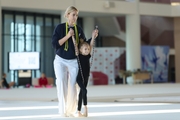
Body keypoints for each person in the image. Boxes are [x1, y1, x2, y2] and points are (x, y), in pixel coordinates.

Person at [51, 6, 98, 117]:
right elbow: (55, 44)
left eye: (77, 15)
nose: (75, 17)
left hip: (73, 60)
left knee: (73, 86)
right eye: (73, 15)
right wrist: (68, 35)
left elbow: (84, 45)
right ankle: (62, 111)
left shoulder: (79, 29)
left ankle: (71, 110)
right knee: (61, 81)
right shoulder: (60, 28)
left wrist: (93, 37)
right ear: (67, 15)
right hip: (60, 60)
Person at [72, 38, 96, 117]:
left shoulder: (88, 56)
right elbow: (75, 45)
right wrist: (72, 37)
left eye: (88, 49)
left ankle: (81, 111)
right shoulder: (79, 56)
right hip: (79, 78)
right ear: (81, 50)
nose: (87, 50)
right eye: (85, 49)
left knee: (81, 93)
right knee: (84, 91)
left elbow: (91, 45)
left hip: (86, 77)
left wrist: (93, 37)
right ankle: (83, 108)